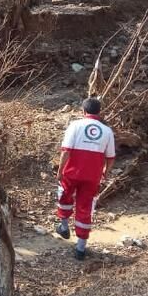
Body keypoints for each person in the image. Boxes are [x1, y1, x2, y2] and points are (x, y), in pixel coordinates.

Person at [55, 97, 116, 260]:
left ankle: (64, 226)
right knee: (85, 207)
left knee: (65, 196)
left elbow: (66, 151)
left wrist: (60, 170)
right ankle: (80, 249)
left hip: (71, 173)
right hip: (92, 177)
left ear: (83, 111)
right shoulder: (107, 131)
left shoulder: (75, 126)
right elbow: (111, 157)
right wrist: (105, 172)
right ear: (99, 112)